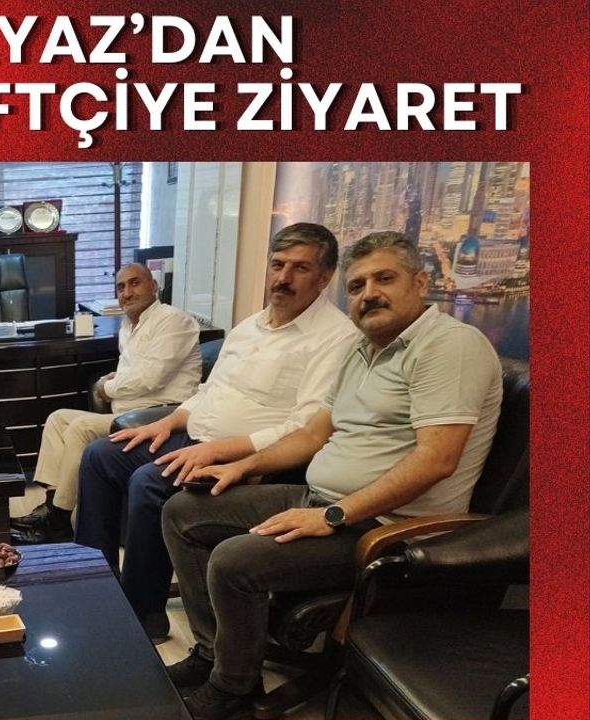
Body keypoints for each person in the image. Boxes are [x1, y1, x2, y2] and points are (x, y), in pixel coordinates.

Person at [162, 231, 503, 720]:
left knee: (236, 561)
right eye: (358, 285)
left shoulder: (449, 346)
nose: (369, 294)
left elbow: (436, 459)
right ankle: (214, 652)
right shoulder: (361, 349)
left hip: (385, 526)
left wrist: (333, 515)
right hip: (321, 497)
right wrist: (240, 466)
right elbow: (312, 434)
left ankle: (234, 688)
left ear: (420, 283)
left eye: (384, 279)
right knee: (184, 511)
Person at [74, 223, 360, 640]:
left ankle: (142, 615)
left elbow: (305, 426)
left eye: (299, 268)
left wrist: (224, 450)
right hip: (194, 436)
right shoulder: (249, 327)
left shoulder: (336, 338)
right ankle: (94, 588)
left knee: (149, 482)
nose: (283, 277)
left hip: (248, 457)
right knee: (100, 456)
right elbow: (209, 392)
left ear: (324, 277)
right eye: (278, 265)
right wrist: (167, 421)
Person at [10, 262, 202, 544]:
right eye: (121, 287)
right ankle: (52, 505)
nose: (127, 293)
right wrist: (115, 378)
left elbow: (150, 378)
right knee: (58, 418)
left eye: (135, 283)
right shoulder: (129, 326)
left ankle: (60, 520)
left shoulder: (173, 321)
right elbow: (134, 371)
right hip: (128, 411)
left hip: (159, 416)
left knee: (81, 428)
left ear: (154, 286)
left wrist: (105, 386)